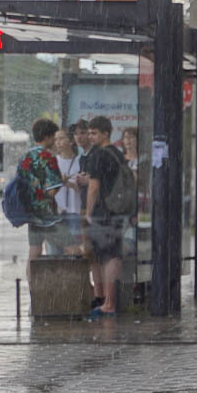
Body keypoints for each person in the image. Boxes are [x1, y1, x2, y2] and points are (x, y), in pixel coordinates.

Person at [83, 115, 130, 318]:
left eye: (94, 133)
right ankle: (111, 301)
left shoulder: (99, 155)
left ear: (105, 133)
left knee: (107, 257)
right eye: (90, 133)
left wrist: (88, 212)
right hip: (118, 211)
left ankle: (109, 303)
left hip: (104, 212)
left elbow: (94, 187)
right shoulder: (118, 154)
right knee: (113, 255)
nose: (90, 136)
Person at [19, 118, 64, 278]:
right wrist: (62, 182)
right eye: (53, 136)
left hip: (31, 214)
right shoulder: (48, 157)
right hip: (48, 215)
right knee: (72, 248)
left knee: (34, 252)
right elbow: (53, 189)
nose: (54, 140)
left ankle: (34, 292)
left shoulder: (25, 157)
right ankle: (74, 290)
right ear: (47, 137)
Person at [52, 127, 84, 255]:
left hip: (74, 211)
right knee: (55, 251)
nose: (58, 142)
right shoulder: (53, 161)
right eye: (56, 139)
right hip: (57, 212)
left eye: (61, 138)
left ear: (70, 141)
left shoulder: (79, 161)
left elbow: (83, 189)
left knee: (74, 250)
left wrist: (67, 183)